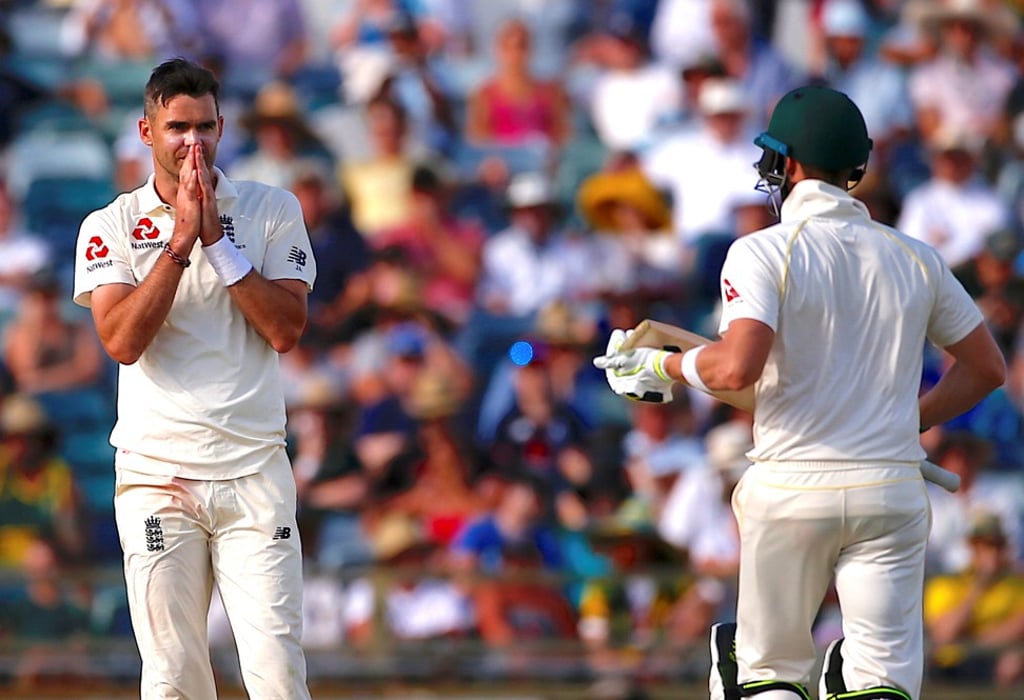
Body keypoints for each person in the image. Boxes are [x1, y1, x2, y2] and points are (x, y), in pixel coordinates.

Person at [594, 85, 1007, 700]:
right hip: (888, 489)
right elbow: (987, 369)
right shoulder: (916, 257)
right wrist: (907, 422)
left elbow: (737, 369)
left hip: (791, 487)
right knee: (879, 685)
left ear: (785, 163)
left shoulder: (761, 251)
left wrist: (661, 365)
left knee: (766, 674)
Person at [71, 58, 317, 699]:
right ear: (146, 131)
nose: (193, 142)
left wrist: (219, 245)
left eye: (205, 127)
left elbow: (286, 329)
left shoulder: (270, 209)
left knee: (277, 674)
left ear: (222, 127)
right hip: (158, 476)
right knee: (174, 678)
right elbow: (121, 341)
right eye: (177, 127)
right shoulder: (110, 225)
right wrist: (180, 243)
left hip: (254, 470)